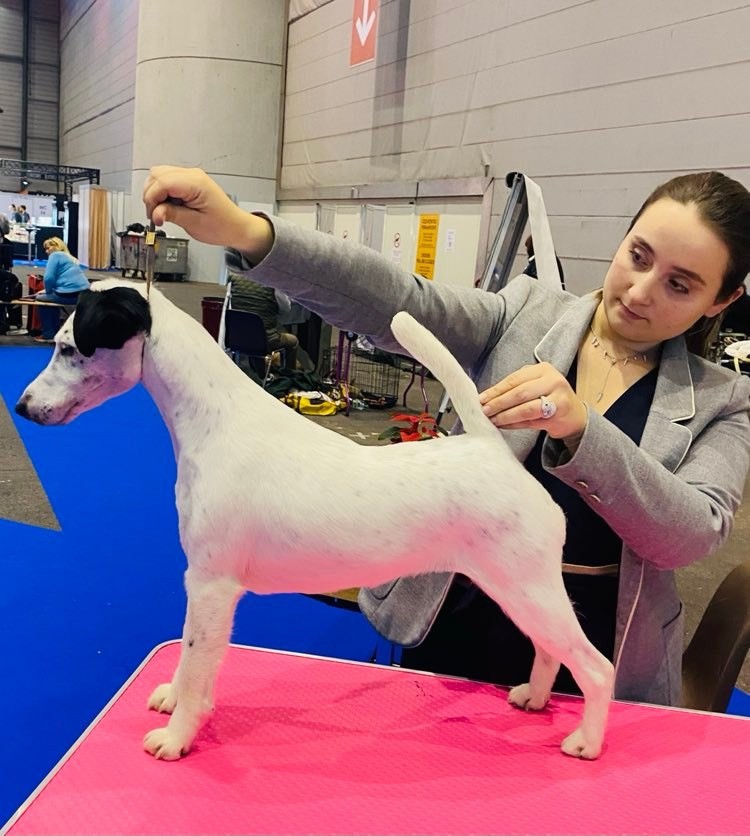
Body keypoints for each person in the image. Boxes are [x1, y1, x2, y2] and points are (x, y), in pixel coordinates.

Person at [143, 166, 750, 707]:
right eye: (638, 256)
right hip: (455, 614)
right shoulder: (524, 311)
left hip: (605, 645)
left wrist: (583, 431)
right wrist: (247, 232)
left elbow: (690, 535)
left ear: (722, 299)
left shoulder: (727, 401)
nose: (641, 291)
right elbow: (396, 300)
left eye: (680, 284)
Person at [228, 273, 299, 371]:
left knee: (253, 330)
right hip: (265, 341)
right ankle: (289, 376)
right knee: (293, 341)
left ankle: (257, 370)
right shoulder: (274, 283)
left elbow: (228, 305)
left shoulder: (234, 278)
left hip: (236, 338)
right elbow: (285, 309)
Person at [34, 236, 89, 343]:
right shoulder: (70, 257)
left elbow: (49, 278)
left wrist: (48, 291)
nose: (46, 251)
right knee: (50, 299)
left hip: (68, 294)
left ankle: (48, 334)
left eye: (48, 248)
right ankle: (55, 331)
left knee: (40, 298)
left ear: (56, 247)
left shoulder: (55, 255)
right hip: (83, 294)